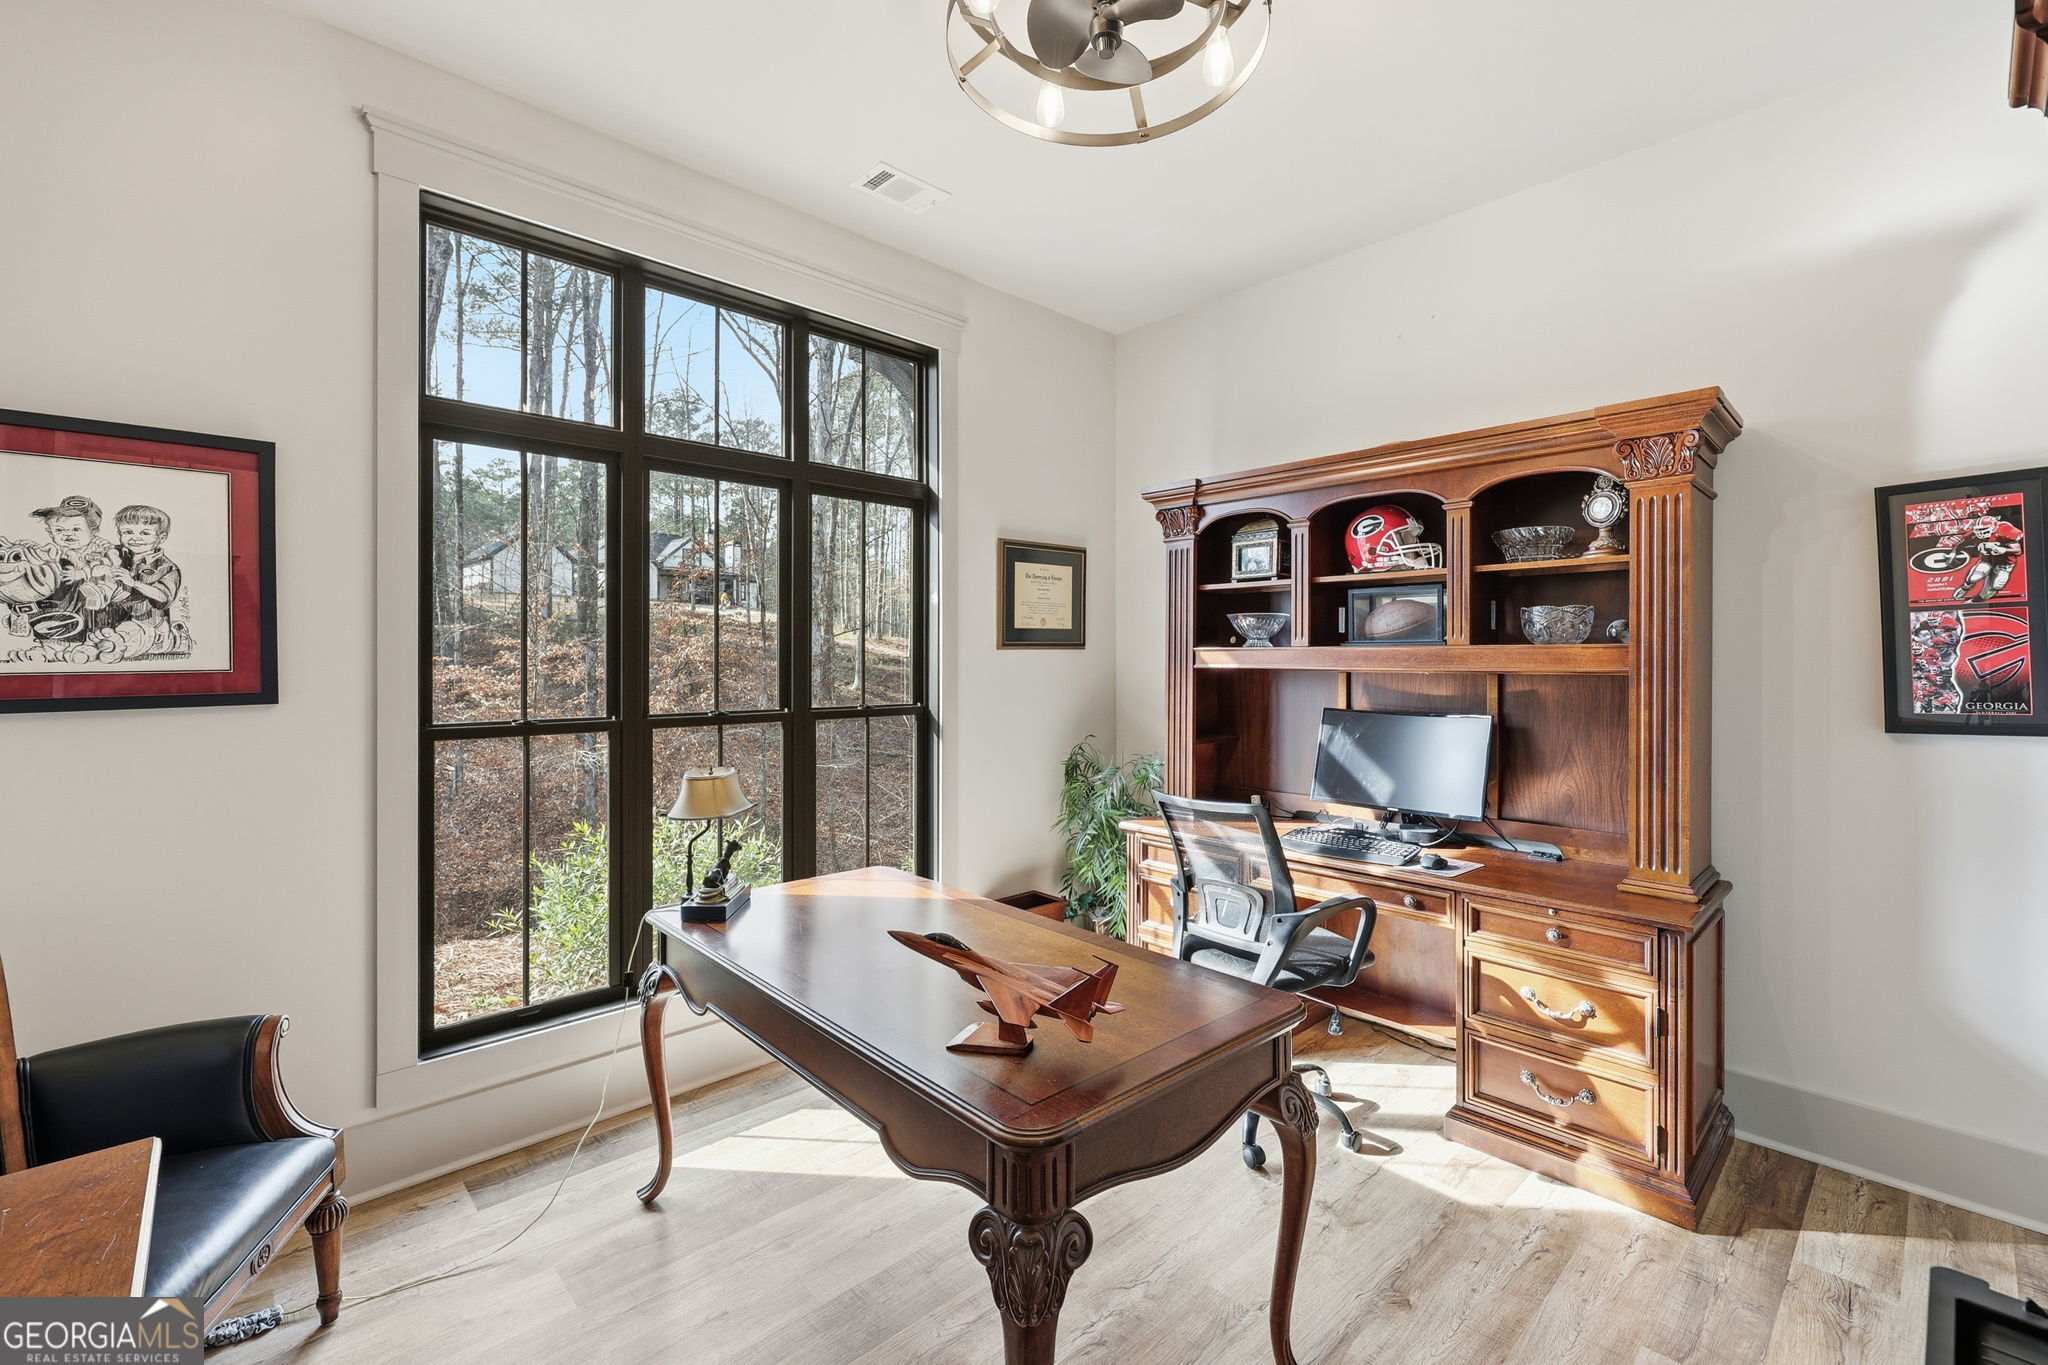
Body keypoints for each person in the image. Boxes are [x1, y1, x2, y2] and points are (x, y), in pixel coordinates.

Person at [103, 503, 191, 659]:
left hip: (148, 625)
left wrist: (134, 583)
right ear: (119, 533)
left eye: (145, 533)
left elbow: (163, 596)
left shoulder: (166, 567)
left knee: (125, 646)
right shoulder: (118, 554)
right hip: (115, 622)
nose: (135, 538)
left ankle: (177, 639)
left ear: (161, 537)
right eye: (128, 532)